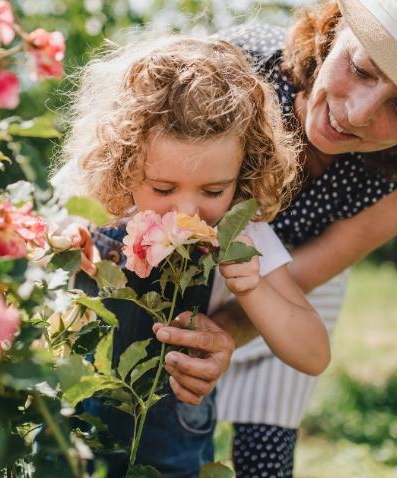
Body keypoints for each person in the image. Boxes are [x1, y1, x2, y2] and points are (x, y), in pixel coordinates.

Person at [152, 0, 397, 476]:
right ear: (333, 31)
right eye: (360, 69)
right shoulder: (236, 73)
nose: (358, 114)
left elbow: (305, 279)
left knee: (265, 452)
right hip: (187, 249)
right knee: (159, 417)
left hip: (293, 276)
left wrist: (224, 334)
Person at [53, 34, 331, 477]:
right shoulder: (102, 205)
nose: (186, 212)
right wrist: (66, 253)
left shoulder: (238, 232)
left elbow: (313, 353)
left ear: (244, 172)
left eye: (213, 190)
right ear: (125, 163)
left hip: (174, 440)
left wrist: (253, 287)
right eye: (163, 189)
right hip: (77, 424)